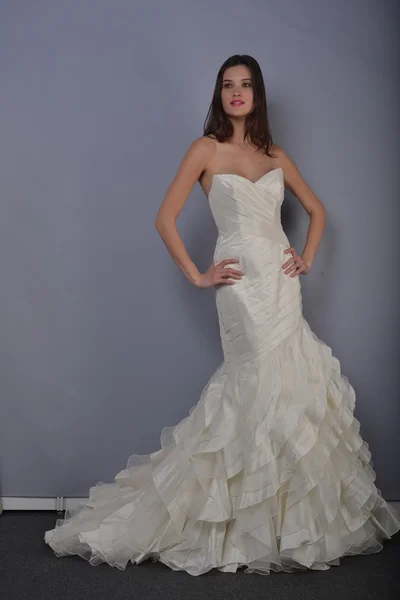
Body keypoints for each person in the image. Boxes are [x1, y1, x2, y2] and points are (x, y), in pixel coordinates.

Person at [44, 54, 400, 576]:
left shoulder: (276, 154)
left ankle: (282, 526)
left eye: (246, 85)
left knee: (291, 388)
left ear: (257, 94)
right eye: (228, 85)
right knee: (253, 387)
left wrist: (305, 257)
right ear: (219, 94)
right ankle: (228, 524)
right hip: (241, 292)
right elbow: (165, 218)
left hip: (281, 287)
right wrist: (198, 274)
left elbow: (318, 211)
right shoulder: (204, 150)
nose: (237, 93)